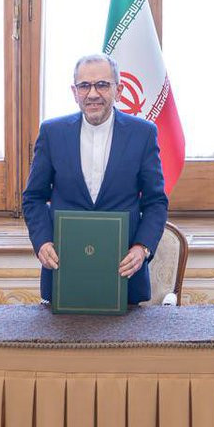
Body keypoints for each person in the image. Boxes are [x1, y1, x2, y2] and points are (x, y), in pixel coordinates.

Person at [22, 53, 169, 305]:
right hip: (64, 272)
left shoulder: (143, 134)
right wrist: (42, 241)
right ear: (74, 92)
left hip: (125, 276)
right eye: (84, 86)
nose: (92, 94)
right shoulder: (52, 133)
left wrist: (142, 248)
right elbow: (33, 198)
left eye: (102, 85)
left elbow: (156, 202)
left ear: (118, 90)